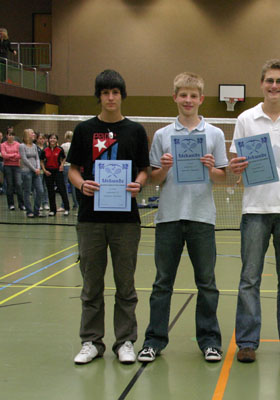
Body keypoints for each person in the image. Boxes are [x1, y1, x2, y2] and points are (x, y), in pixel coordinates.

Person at [137, 72, 227, 364]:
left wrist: (211, 168)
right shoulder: (163, 135)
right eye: (183, 95)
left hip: (202, 218)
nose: (188, 100)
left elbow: (223, 178)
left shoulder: (214, 134)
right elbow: (154, 179)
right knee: (162, 283)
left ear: (201, 99)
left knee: (207, 284)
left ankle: (210, 341)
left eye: (193, 96)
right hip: (169, 218)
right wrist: (163, 168)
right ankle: (153, 341)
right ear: (175, 97)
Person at [228, 59, 280, 363]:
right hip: (255, 209)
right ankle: (247, 342)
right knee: (249, 278)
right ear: (261, 83)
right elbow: (235, 162)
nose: (274, 86)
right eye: (269, 81)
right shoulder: (246, 119)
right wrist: (236, 167)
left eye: (279, 81)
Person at [68, 69, 150, 365]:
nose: (111, 98)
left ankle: (125, 341)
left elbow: (145, 170)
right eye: (105, 93)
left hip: (125, 221)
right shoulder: (84, 130)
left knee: (125, 284)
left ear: (122, 95)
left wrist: (138, 184)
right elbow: (73, 169)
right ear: (99, 96)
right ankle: (91, 341)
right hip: (90, 219)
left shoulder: (135, 131)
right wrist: (82, 185)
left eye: (115, 92)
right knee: (91, 285)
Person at [40, 133, 70, 216]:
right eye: (51, 138)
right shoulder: (45, 150)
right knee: (50, 191)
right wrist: (44, 170)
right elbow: (41, 161)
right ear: (48, 140)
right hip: (48, 172)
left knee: (62, 189)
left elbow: (64, 158)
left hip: (57, 171)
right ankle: (52, 210)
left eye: (54, 138)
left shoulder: (60, 149)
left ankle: (67, 208)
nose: (52, 140)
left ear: (57, 140)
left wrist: (62, 165)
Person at [19, 129, 44, 218]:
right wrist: (34, 169)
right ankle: (29, 211)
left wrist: (38, 168)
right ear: (27, 135)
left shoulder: (34, 146)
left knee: (40, 190)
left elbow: (37, 157)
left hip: (36, 172)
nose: (34, 134)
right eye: (32, 133)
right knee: (27, 191)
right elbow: (24, 159)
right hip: (26, 172)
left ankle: (36, 210)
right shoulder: (22, 146)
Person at [1, 129, 25, 211]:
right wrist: (14, 155)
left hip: (17, 166)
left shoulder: (18, 144)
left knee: (19, 184)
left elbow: (20, 155)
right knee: (10, 185)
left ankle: (21, 204)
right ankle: (11, 204)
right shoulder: (3, 145)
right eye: (9, 135)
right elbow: (4, 155)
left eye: (12, 135)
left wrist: (10, 156)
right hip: (7, 166)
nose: (11, 136)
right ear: (6, 136)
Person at [61, 131, 79, 211]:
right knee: (73, 186)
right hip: (72, 167)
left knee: (64, 186)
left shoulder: (63, 146)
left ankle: (64, 204)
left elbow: (61, 157)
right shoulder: (75, 145)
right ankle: (76, 204)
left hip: (65, 166)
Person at [35, 132, 50, 210]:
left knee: (45, 187)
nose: (42, 140)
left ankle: (45, 203)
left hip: (46, 169)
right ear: (37, 139)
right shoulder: (35, 147)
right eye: (40, 138)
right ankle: (38, 203)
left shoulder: (46, 147)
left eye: (43, 139)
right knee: (38, 187)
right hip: (38, 169)